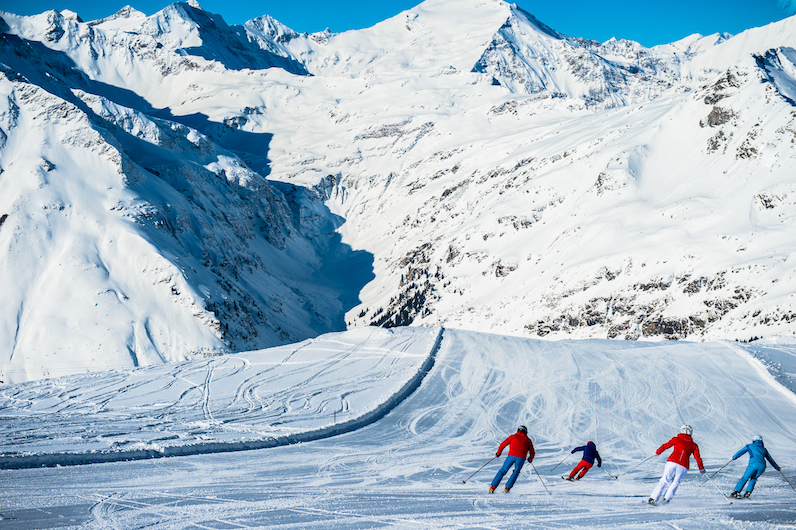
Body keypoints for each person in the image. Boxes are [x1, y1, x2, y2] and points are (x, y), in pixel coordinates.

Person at [648, 424, 705, 505]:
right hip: (683, 465)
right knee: (675, 482)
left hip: (671, 461)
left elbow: (665, 446)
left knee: (664, 479)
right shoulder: (694, 445)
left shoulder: (676, 439)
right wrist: (701, 468)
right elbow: (698, 458)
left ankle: (653, 498)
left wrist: (657, 452)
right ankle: (666, 499)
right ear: (690, 432)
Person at [489, 425, 535, 493]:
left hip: (511, 456)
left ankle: (492, 487)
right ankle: (507, 488)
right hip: (521, 458)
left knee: (502, 471)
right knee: (516, 472)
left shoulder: (513, 437)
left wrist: (498, 453)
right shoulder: (528, 440)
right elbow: (532, 452)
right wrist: (530, 459)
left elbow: (502, 445)